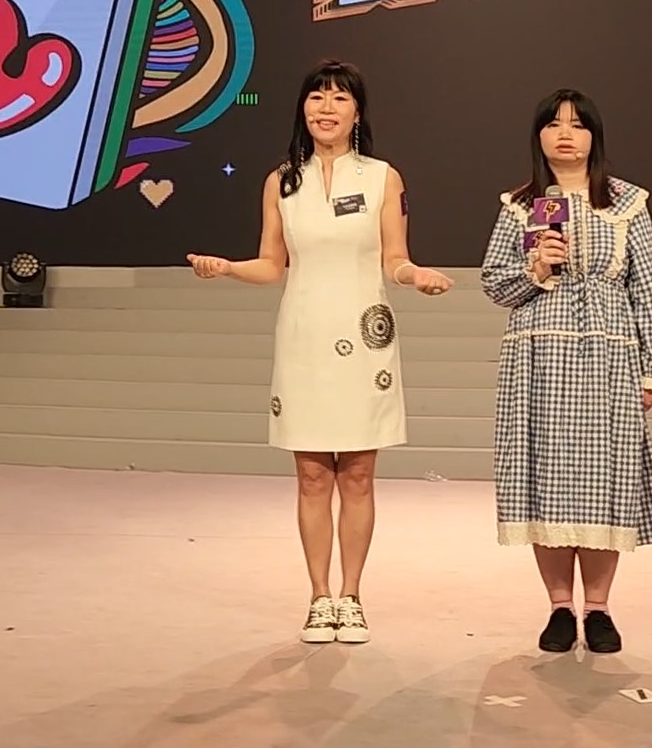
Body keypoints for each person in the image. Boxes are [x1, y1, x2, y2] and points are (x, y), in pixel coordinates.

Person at [187, 59, 454, 646]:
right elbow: (271, 265)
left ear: (357, 111)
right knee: (311, 476)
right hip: (303, 336)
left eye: (339, 97)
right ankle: (318, 598)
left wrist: (415, 276)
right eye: (316, 96)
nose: (326, 107)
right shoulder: (281, 181)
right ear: (302, 108)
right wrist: (227, 268)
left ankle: (351, 597)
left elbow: (394, 258)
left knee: (357, 475)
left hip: (363, 338)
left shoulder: (383, 178)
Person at [480, 89, 652, 655]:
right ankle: (560, 607)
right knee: (546, 478)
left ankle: (599, 609)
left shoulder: (627, 203)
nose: (565, 134)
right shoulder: (520, 206)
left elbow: (648, 288)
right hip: (538, 356)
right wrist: (537, 267)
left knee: (605, 479)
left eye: (577, 124)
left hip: (610, 356)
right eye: (554, 124)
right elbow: (494, 283)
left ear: (594, 136)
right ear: (538, 136)